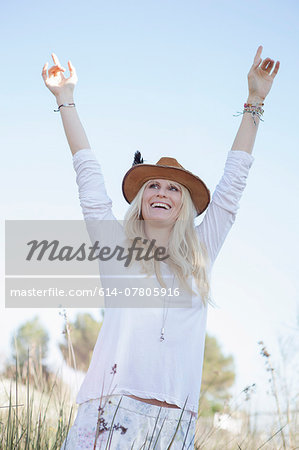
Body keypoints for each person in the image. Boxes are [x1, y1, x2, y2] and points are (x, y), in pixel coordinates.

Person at [42, 46, 279, 449]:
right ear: (141, 199)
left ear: (184, 204)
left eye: (173, 188)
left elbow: (232, 187)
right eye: (152, 184)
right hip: (106, 414)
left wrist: (255, 101)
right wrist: (65, 98)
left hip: (172, 426)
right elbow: (89, 179)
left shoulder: (201, 251)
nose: (161, 192)